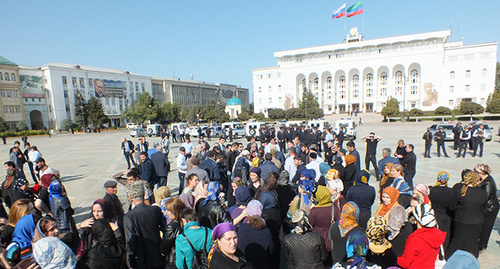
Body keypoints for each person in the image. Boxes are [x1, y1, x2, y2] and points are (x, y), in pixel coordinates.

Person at [446, 170, 487, 259]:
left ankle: (453, 258)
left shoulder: (459, 191)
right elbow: (484, 207)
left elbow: (452, 206)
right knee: (472, 243)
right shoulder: (482, 193)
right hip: (476, 222)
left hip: (461, 221)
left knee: (458, 242)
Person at [123, 181, 164, 269]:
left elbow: (130, 240)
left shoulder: (129, 217)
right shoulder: (155, 210)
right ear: (144, 195)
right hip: (157, 253)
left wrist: (129, 262)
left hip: (141, 258)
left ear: (130, 198)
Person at [397, 204, 445, 269]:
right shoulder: (437, 236)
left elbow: (404, 263)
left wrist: (393, 258)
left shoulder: (415, 239)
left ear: (418, 221)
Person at [80, 200, 123, 269]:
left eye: (99, 211)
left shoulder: (113, 223)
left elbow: (121, 244)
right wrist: (82, 228)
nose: (96, 214)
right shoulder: (90, 224)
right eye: (94, 211)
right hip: (94, 258)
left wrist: (117, 230)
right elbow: (84, 244)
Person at [236, 200, 274, 269]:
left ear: (248, 214)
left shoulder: (241, 229)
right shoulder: (266, 231)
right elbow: (271, 251)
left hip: (245, 265)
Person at [428, 171, 457, 250]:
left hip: (434, 215)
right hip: (445, 217)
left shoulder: (432, 190)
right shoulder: (451, 191)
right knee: (444, 236)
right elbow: (452, 206)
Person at [474, 164, 499, 252]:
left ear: (481, 173)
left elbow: (485, 197)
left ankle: (481, 245)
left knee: (486, 227)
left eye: (476, 172)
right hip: (488, 207)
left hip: (490, 208)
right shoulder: (484, 179)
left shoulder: (488, 182)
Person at [49, 180, 79, 252]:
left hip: (58, 225)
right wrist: (66, 198)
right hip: (66, 226)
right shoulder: (62, 200)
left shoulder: (51, 197)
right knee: (74, 244)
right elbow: (71, 211)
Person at [161, 198, 186, 269]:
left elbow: (164, 248)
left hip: (173, 261)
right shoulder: (186, 222)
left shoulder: (171, 227)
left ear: (175, 212)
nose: (166, 212)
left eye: (168, 210)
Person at [308, 185, 333, 252]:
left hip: (317, 240)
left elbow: (310, 224)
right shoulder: (334, 209)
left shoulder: (315, 210)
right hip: (330, 240)